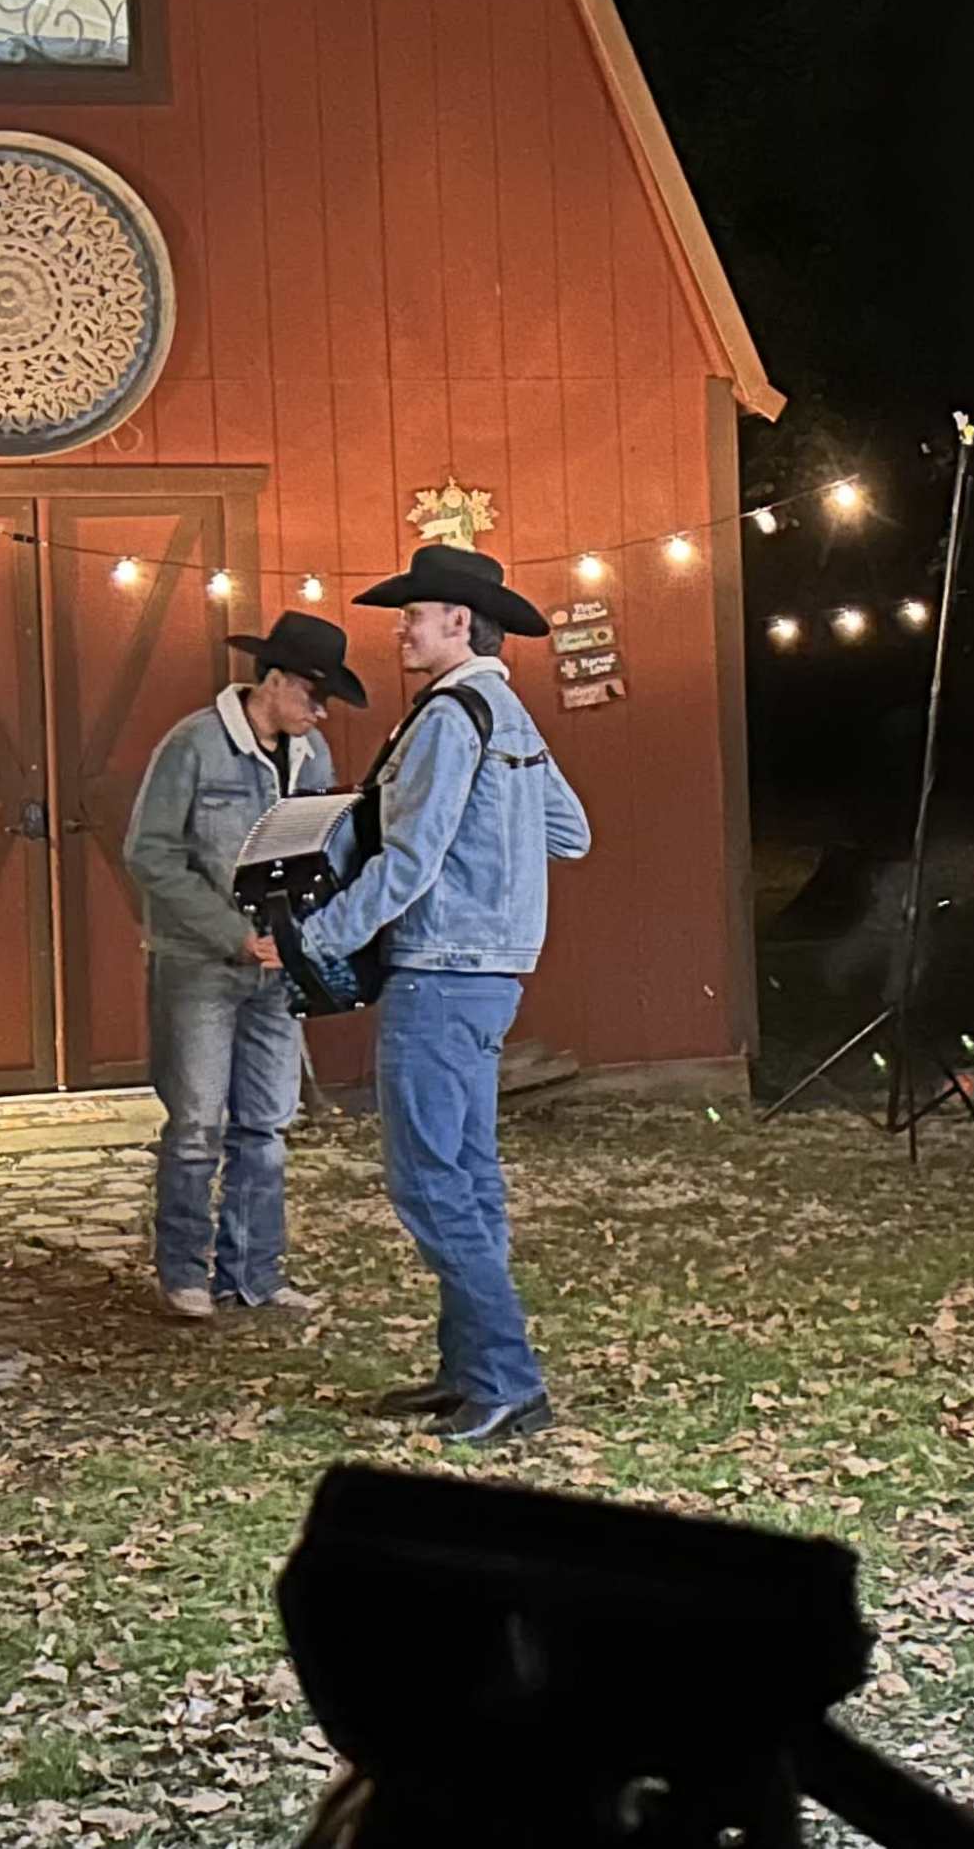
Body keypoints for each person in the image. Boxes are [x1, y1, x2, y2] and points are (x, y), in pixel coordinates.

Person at [288, 545, 590, 1447]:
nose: (402, 628)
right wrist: (499, 862)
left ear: (459, 622)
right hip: (493, 969)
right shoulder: (508, 712)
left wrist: (312, 939)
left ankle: (507, 1380)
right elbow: (569, 832)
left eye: (413, 614)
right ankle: (469, 1371)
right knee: (467, 1176)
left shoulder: (451, 715)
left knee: (428, 1182)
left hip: (441, 968)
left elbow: (409, 861)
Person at [124, 609, 363, 1321]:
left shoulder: (312, 761)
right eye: (314, 699)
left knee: (267, 1121)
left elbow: (319, 853)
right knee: (197, 1120)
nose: (321, 716)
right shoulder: (193, 745)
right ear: (278, 681)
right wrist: (232, 933)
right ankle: (183, 1272)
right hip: (200, 962)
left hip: (277, 966)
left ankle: (254, 1273)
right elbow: (151, 854)